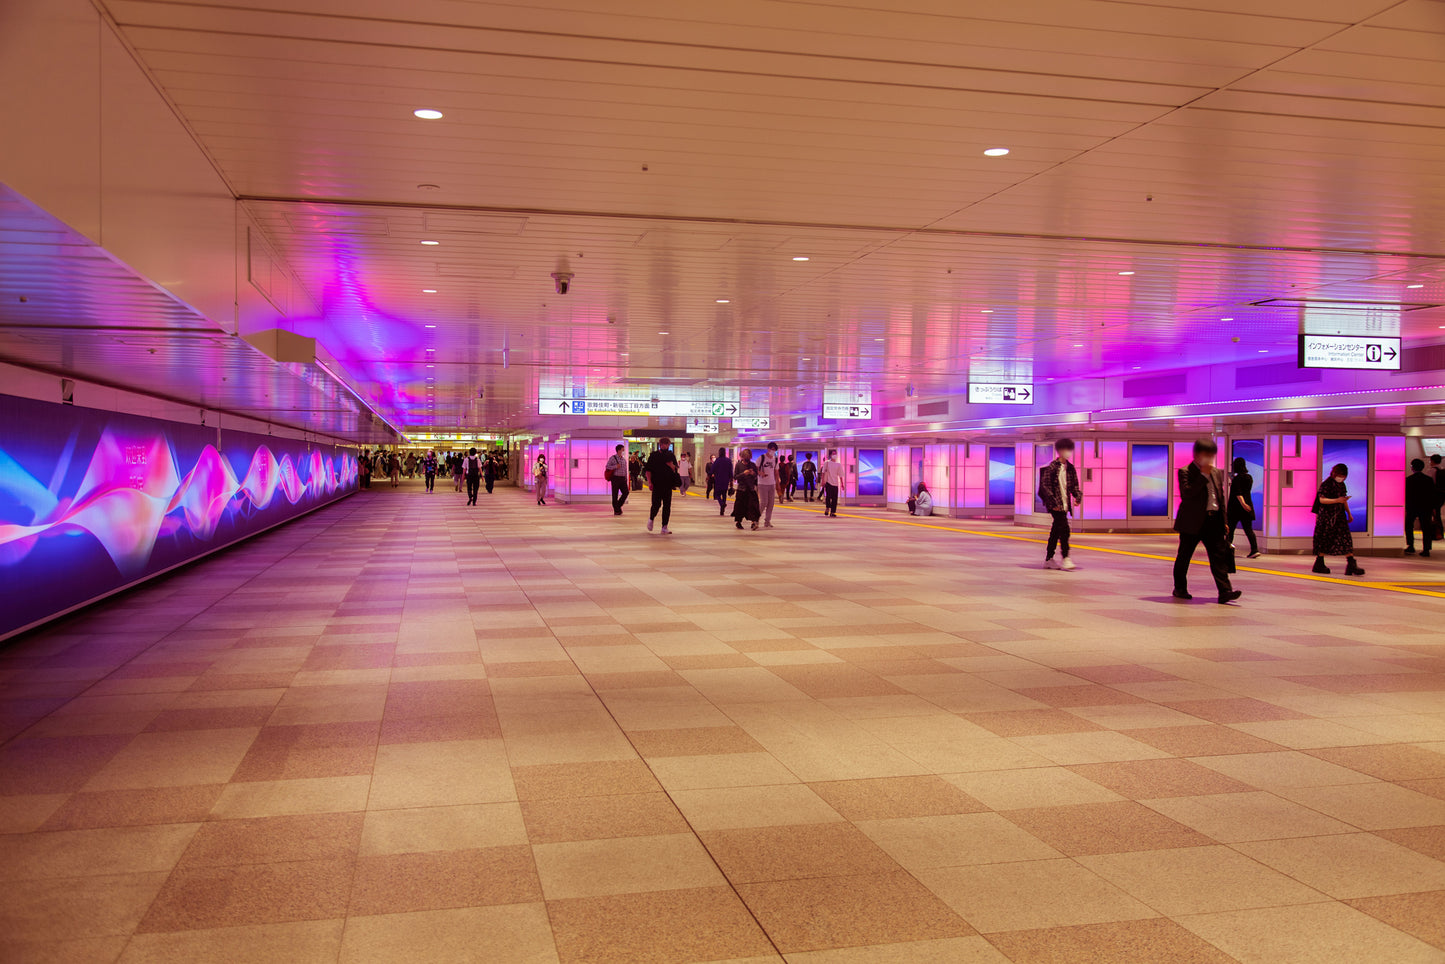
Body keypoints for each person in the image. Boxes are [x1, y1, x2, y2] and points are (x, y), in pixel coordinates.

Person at [1173, 437, 1242, 603]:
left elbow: (1220, 497)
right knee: (1184, 556)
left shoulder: (1217, 472)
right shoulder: (1186, 471)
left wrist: (1225, 521)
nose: (1209, 458)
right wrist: (1203, 474)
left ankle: (1225, 591)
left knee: (1218, 557)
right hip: (1192, 522)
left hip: (1214, 521)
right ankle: (1180, 588)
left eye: (1211, 455)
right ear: (1197, 454)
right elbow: (1187, 494)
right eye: (1206, 454)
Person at [1038, 438, 1082, 571]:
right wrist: (1053, 502)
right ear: (1060, 451)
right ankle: (1066, 557)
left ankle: (1049, 559)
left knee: (1056, 531)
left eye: (1069, 449)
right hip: (1055, 505)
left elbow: (1074, 486)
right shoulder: (1052, 467)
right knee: (1065, 529)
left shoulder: (1071, 468)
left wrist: (1077, 497)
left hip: (1065, 504)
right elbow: (1045, 487)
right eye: (1065, 449)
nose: (1068, 452)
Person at [1312, 463, 1362, 575]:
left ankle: (1351, 563)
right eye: (1340, 475)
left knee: (1346, 538)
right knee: (1324, 539)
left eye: (1344, 476)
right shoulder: (1327, 484)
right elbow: (1322, 500)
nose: (1341, 478)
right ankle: (1319, 563)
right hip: (1326, 517)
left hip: (1339, 516)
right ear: (1334, 473)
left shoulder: (1342, 485)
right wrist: (1337, 500)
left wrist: (1349, 513)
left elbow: (1343, 500)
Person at [644, 438, 680, 533]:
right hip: (657, 484)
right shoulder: (654, 455)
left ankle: (664, 526)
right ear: (660, 444)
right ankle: (651, 518)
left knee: (667, 506)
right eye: (663, 444)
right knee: (656, 504)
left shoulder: (671, 455)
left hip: (668, 485)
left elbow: (675, 469)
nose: (664, 446)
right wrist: (650, 482)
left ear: (669, 445)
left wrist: (671, 466)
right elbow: (648, 470)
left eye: (666, 444)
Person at [1228, 456, 1260, 559]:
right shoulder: (1249, 477)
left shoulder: (1237, 479)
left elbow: (1238, 493)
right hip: (1247, 508)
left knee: (1230, 529)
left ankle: (1226, 548)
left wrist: (1243, 504)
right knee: (1248, 529)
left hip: (1236, 508)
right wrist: (1246, 505)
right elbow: (1244, 490)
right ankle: (1254, 549)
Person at [1405, 458, 1434, 557]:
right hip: (1425, 507)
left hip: (1412, 507)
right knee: (1426, 528)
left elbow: (1406, 495)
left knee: (1409, 526)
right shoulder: (1428, 480)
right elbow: (1431, 495)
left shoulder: (1408, 480)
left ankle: (1411, 546)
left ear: (1412, 467)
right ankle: (1426, 549)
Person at [732, 448, 761, 530]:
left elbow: (756, 476)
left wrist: (753, 474)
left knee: (753, 506)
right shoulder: (738, 465)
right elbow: (735, 477)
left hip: (751, 489)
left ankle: (753, 522)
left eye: (748, 457)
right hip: (742, 489)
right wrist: (743, 474)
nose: (747, 459)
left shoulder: (752, 465)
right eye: (745, 457)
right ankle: (738, 522)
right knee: (740, 506)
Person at [757, 442, 780, 528]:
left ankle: (767, 521)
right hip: (762, 483)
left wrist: (777, 483)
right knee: (763, 502)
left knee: (771, 503)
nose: (773, 451)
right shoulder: (762, 458)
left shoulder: (775, 459)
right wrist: (760, 473)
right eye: (772, 449)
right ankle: (756, 519)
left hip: (772, 483)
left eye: (774, 450)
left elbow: (776, 472)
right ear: (768, 449)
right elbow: (756, 469)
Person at [606, 444, 630, 515]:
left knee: (626, 492)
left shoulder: (623, 460)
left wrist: (626, 478)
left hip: (623, 479)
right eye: (623, 450)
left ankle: (618, 506)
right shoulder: (613, 458)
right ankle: (616, 510)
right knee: (615, 495)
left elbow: (625, 470)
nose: (623, 451)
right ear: (619, 450)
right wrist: (615, 466)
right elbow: (607, 466)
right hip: (615, 478)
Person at [819, 449, 844, 517]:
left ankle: (833, 511)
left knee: (834, 498)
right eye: (833, 454)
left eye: (835, 454)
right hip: (828, 482)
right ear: (830, 455)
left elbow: (841, 475)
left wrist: (842, 483)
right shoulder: (827, 463)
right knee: (828, 497)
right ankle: (827, 508)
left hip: (835, 483)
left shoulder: (838, 465)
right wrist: (823, 481)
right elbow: (823, 472)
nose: (834, 455)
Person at [712, 446, 733, 516]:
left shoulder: (717, 460)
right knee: (724, 494)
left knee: (717, 494)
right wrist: (731, 480)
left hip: (718, 480)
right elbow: (730, 471)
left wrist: (709, 475)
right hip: (726, 480)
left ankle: (722, 504)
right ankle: (722, 510)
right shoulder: (728, 461)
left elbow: (712, 469)